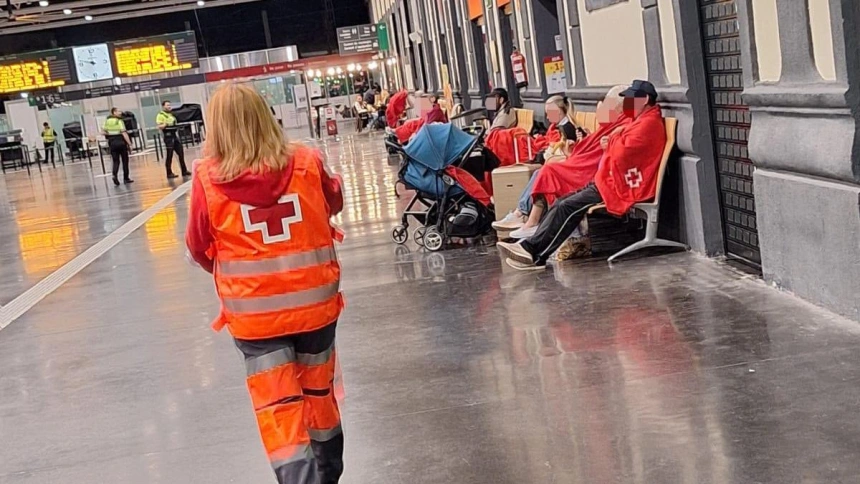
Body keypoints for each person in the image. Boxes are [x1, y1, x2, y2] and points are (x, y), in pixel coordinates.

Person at [185, 83, 345, 484]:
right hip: (316, 308)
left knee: (278, 406)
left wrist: (233, 275)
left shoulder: (207, 178)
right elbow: (334, 202)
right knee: (318, 395)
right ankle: (329, 472)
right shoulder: (307, 160)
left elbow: (197, 244)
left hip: (255, 318)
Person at [498, 80, 667, 271]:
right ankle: (529, 247)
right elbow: (616, 146)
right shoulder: (641, 120)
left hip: (618, 185)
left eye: (630, 99)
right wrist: (614, 139)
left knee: (567, 207)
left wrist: (612, 140)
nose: (627, 103)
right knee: (562, 202)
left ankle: (534, 253)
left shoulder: (647, 124)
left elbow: (620, 154)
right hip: (607, 180)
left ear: (644, 100)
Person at [493, 86, 629, 238]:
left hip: (590, 172)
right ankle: (527, 218)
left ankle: (530, 221)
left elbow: (600, 154)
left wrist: (576, 149)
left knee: (547, 171)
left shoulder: (618, 126)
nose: (601, 113)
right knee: (544, 171)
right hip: (586, 166)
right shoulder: (610, 126)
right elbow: (589, 150)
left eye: (606, 107)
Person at [157, 101, 190, 180]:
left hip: (174, 135)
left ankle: (184, 171)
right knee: (169, 155)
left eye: (169, 105)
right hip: (168, 136)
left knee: (181, 153)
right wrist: (166, 123)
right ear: (163, 106)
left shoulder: (171, 114)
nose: (169, 106)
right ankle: (169, 173)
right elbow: (159, 126)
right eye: (167, 105)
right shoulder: (160, 115)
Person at [101, 108, 133, 186]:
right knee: (125, 160)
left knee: (116, 161)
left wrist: (109, 134)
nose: (120, 112)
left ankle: (114, 175)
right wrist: (130, 144)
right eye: (118, 111)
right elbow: (124, 133)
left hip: (112, 142)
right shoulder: (119, 121)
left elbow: (102, 132)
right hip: (120, 141)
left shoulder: (107, 121)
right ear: (114, 112)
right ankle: (126, 178)